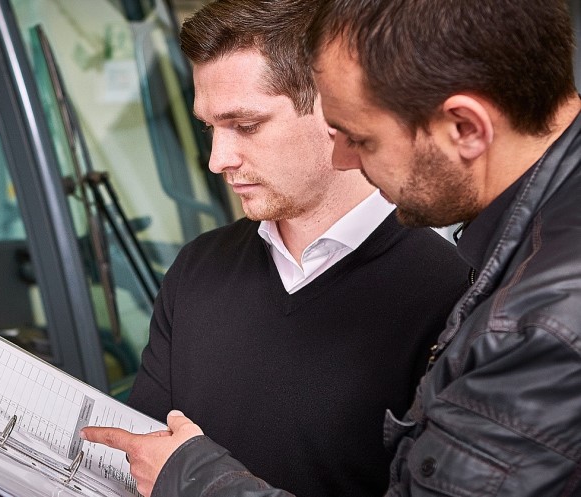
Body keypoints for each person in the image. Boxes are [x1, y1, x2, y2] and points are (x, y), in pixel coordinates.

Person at [83, 0, 581, 495]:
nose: (343, 152)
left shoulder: (518, 313)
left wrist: (190, 480)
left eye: (358, 134)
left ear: (466, 128)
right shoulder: (197, 268)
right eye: (209, 127)